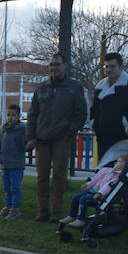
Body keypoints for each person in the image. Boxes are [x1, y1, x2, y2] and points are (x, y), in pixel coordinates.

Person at [25, 53, 88, 222]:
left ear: (65, 65)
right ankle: (42, 210)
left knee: (59, 176)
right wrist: (31, 136)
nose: (54, 67)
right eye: (52, 64)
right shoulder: (41, 87)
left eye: (57, 64)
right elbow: (32, 114)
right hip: (42, 139)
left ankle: (57, 210)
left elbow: (81, 113)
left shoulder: (74, 87)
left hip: (62, 138)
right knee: (42, 176)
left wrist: (69, 132)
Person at [90, 52, 128, 158]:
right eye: (106, 66)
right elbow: (94, 108)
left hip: (124, 138)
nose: (109, 70)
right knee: (104, 172)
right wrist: (94, 123)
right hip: (103, 137)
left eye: (112, 66)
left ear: (121, 67)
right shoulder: (99, 86)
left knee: (121, 171)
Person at [59, 154, 128, 228]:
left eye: (119, 162)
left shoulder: (118, 177)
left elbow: (108, 186)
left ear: (125, 166)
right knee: (76, 197)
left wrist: (100, 193)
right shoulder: (107, 171)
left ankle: (81, 220)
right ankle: (71, 216)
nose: (115, 163)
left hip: (102, 196)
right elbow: (95, 180)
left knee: (83, 199)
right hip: (93, 192)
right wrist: (87, 186)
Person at [0, 103, 27, 219]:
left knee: (15, 187)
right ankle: (7, 207)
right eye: (8, 115)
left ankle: (15, 209)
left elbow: (24, 145)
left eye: (13, 115)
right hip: (5, 164)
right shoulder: (3, 128)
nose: (10, 117)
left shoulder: (22, 129)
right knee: (7, 188)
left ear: (18, 116)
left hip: (16, 164)